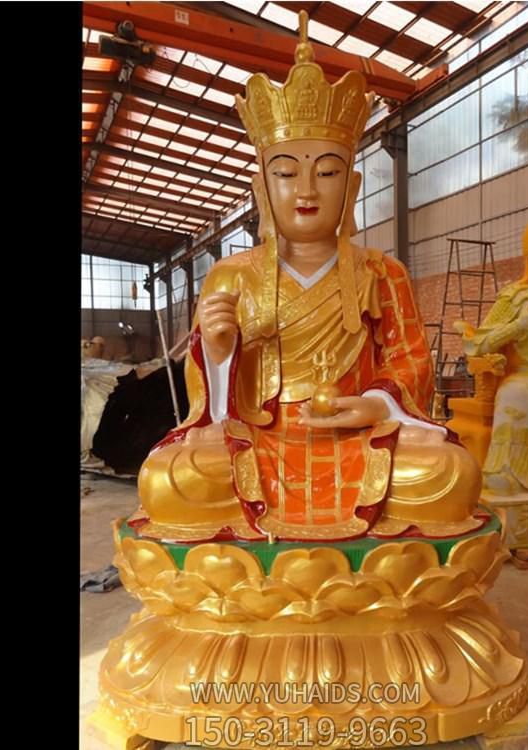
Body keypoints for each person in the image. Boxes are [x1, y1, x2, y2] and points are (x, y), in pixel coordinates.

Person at [134, 15, 483, 542]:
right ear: (261, 187)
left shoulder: (382, 271)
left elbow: (409, 359)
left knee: (450, 472)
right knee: (169, 479)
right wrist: (221, 353)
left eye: (327, 172)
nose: (306, 190)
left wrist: (376, 404)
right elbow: (209, 403)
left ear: (352, 185)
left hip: (360, 435)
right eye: (285, 173)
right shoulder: (231, 275)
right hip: (258, 438)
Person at [459, 218, 528, 495]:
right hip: (525, 376)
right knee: (517, 394)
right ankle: (506, 473)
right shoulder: (515, 297)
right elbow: (478, 344)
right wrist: (518, 326)